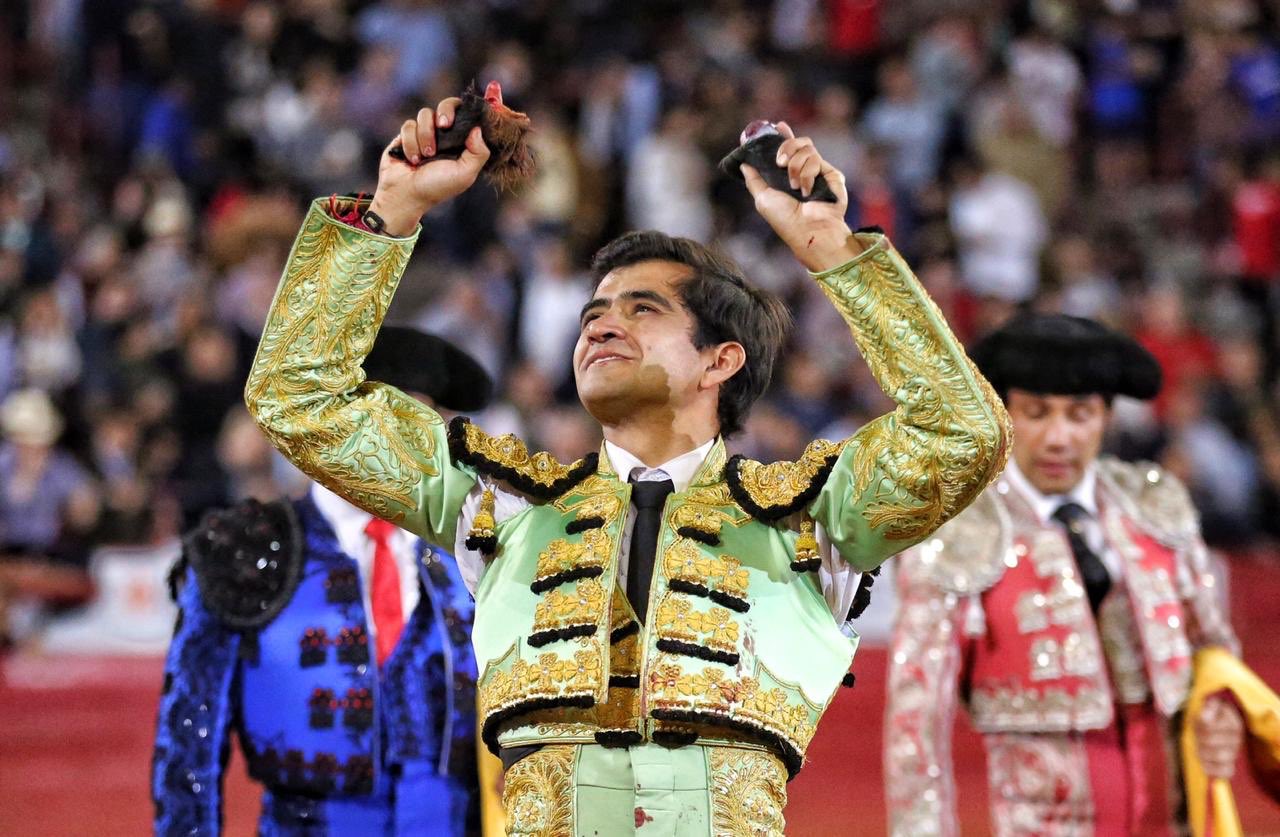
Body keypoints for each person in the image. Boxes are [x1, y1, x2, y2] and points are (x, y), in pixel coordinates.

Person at [245, 95, 1009, 834]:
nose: (602, 326)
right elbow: (295, 394)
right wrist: (391, 210)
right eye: (593, 314)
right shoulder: (501, 507)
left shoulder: (812, 518)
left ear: (721, 360)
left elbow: (965, 432)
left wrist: (833, 250)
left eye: (643, 308)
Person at [884, 313, 1245, 836]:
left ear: (1106, 417)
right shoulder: (960, 530)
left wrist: (1220, 710)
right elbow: (915, 724)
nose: (1058, 438)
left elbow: (1213, 648)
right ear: (1004, 415)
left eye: (1080, 415)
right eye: (1036, 413)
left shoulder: (1154, 505)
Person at [152, 327, 489, 836]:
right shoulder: (245, 548)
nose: (396, 441)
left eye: (418, 421)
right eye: (374, 417)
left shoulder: (477, 548)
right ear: (325, 422)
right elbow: (189, 746)